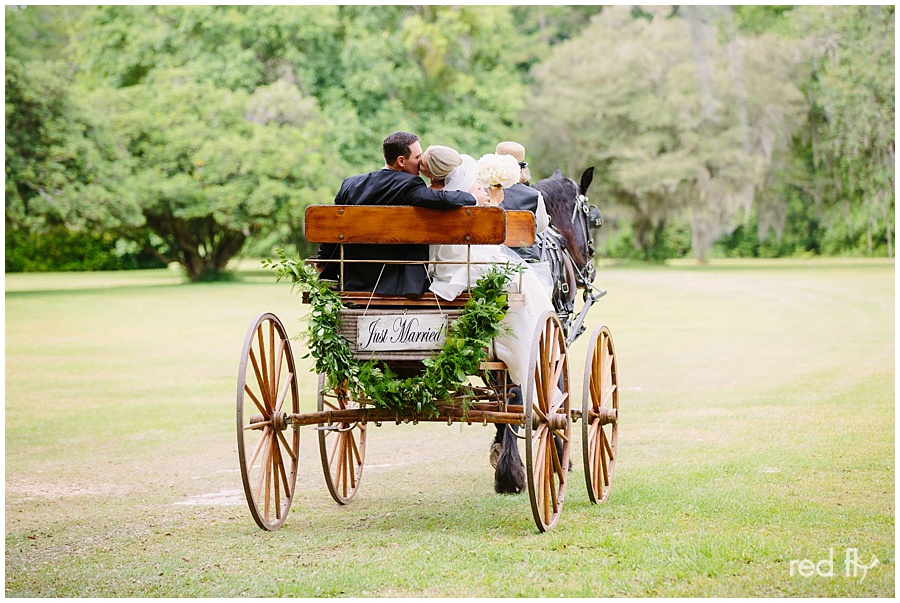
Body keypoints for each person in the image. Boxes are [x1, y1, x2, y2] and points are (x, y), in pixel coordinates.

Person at [425, 149, 553, 386]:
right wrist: (493, 202)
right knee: (526, 282)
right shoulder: (466, 198)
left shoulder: (423, 196)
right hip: (466, 265)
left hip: (438, 270)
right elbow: (492, 243)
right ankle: (527, 350)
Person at [317, 132, 477, 296]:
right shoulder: (409, 185)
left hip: (352, 279)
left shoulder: (350, 183)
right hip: (395, 284)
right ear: (401, 161)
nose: (420, 163)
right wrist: (472, 196)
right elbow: (442, 199)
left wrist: (323, 258)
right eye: (417, 158)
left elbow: (333, 225)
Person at [495, 141, 550, 262]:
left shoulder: (481, 192)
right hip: (523, 260)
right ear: (522, 169)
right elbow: (541, 227)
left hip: (489, 258)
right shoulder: (534, 195)